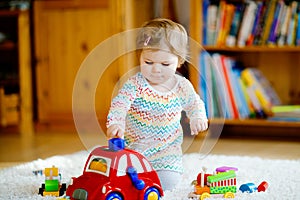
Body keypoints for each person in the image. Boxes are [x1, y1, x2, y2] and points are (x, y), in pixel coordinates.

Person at [106, 18, 208, 191]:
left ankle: (159, 177)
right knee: (120, 180)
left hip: (167, 152)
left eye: (165, 64)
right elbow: (120, 104)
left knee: (167, 183)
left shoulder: (181, 86)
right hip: (134, 150)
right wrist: (115, 122)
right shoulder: (135, 84)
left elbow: (194, 103)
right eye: (148, 62)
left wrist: (198, 116)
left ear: (179, 61)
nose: (156, 69)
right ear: (140, 56)